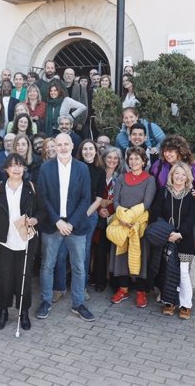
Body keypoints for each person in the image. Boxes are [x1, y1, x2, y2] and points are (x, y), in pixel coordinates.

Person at [35, 133, 95, 322]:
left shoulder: (82, 168)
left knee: (78, 267)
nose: (62, 147)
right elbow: (42, 197)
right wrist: (57, 221)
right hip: (53, 225)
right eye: (58, 144)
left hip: (75, 226)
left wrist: (71, 223)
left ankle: (78, 304)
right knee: (47, 266)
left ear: (71, 146)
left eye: (65, 144)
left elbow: (86, 198)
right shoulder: (46, 168)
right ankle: (46, 301)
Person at [0, 154, 46, 331]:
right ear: (6, 169)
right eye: (13, 166)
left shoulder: (32, 188)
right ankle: (3, 311)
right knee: (5, 279)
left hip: (26, 241)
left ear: (24, 169)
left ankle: (23, 312)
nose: (17, 169)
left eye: (20, 165)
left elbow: (42, 211)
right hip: (4, 242)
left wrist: (35, 220)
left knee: (24, 279)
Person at [108, 146, 157, 308]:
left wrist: (130, 219)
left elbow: (147, 203)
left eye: (137, 158)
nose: (133, 161)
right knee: (121, 257)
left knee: (140, 256)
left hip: (138, 225)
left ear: (144, 161)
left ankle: (141, 292)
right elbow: (115, 201)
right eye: (131, 158)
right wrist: (122, 218)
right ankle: (123, 289)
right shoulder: (122, 178)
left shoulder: (149, 179)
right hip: (122, 224)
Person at [150, 162, 195, 320]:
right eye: (176, 173)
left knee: (183, 273)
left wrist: (179, 234)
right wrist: (168, 233)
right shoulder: (163, 192)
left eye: (183, 174)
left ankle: (185, 304)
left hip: (184, 240)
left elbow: (191, 220)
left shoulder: (192, 196)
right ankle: (168, 301)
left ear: (187, 178)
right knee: (166, 270)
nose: (179, 177)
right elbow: (155, 214)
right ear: (171, 175)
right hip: (167, 237)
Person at [91, 146, 124, 291]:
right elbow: (92, 193)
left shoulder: (121, 176)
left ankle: (115, 281)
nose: (112, 160)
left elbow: (122, 198)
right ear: (104, 158)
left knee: (114, 250)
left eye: (115, 158)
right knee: (99, 249)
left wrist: (109, 209)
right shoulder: (98, 173)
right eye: (109, 157)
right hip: (98, 214)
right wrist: (99, 209)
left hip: (114, 216)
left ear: (119, 161)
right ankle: (99, 281)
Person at [76, 139, 105, 289]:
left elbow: (99, 198)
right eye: (85, 149)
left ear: (96, 151)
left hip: (89, 215)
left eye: (91, 149)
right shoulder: (75, 168)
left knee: (85, 250)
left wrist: (84, 214)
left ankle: (82, 284)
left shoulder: (100, 171)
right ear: (81, 152)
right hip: (72, 214)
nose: (88, 152)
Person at [149, 135, 195, 201]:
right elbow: (150, 185)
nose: (167, 154)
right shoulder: (158, 165)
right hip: (162, 206)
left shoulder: (194, 167)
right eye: (165, 151)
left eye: (170, 151)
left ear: (180, 151)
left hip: (184, 207)